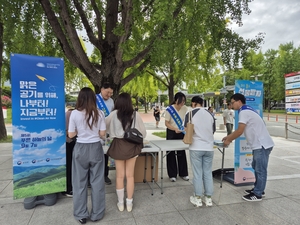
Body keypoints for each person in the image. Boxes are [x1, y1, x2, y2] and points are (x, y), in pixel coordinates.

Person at [222, 93, 274, 202]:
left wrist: (229, 139)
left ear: (239, 101)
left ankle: (258, 194)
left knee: (260, 170)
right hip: (259, 145)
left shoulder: (244, 112)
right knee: (256, 167)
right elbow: (241, 131)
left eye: (232, 102)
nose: (231, 105)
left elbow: (240, 130)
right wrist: (229, 136)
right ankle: (258, 188)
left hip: (262, 145)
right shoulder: (247, 110)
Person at [68, 87, 106, 224]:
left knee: (79, 183)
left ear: (80, 98)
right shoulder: (100, 113)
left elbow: (71, 135)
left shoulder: (74, 114)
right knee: (97, 182)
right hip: (96, 148)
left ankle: (81, 214)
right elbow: (102, 134)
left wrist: (81, 131)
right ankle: (97, 214)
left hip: (80, 148)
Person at [105, 93, 146, 212]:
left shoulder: (113, 114)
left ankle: (120, 203)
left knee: (119, 176)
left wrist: (113, 132)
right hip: (132, 146)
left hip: (118, 145)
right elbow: (142, 133)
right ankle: (129, 203)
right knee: (130, 176)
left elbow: (104, 128)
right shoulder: (135, 114)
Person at [184, 96, 215, 207]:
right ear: (202, 103)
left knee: (197, 173)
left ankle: (197, 198)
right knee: (207, 172)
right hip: (209, 148)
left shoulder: (190, 114)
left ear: (194, 103)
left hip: (196, 147)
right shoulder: (210, 114)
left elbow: (186, 130)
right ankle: (208, 198)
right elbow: (213, 130)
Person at [164, 92, 189, 182]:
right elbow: (166, 123)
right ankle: (172, 174)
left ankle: (183, 173)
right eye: (181, 101)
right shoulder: (170, 109)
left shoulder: (185, 108)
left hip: (181, 132)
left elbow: (188, 120)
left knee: (181, 152)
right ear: (176, 100)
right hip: (171, 132)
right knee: (170, 153)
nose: (182, 103)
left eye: (184, 101)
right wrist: (174, 129)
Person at [96, 82, 114, 185]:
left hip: (107, 131)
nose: (109, 95)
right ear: (102, 89)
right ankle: (94, 176)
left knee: (106, 154)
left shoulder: (111, 101)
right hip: (95, 132)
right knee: (96, 155)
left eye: (111, 93)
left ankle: (105, 175)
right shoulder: (93, 99)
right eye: (107, 92)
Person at [62, 106, 76, 197]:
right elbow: (68, 133)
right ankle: (68, 188)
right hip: (69, 143)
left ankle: (71, 187)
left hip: (74, 142)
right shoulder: (69, 114)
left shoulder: (73, 113)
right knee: (69, 165)